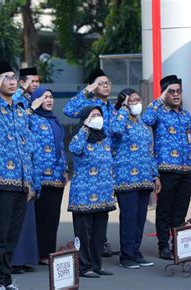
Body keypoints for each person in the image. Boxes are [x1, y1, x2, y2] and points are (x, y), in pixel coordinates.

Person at [0, 61, 38, 290]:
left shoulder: (20, 110)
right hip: (0, 182)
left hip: (21, 183)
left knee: (12, 236)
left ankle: (6, 279)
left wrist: (30, 183)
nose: (13, 81)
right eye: (7, 77)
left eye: (14, 77)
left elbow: (26, 148)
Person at [63, 68, 119, 257]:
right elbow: (68, 109)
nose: (106, 86)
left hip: (107, 163)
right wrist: (88, 89)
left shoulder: (111, 107)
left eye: (108, 82)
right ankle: (86, 257)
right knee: (86, 215)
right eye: (101, 83)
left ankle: (98, 248)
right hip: (88, 163)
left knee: (102, 211)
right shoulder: (89, 105)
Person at [142, 75, 191, 260]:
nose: (176, 95)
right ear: (165, 93)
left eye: (178, 91)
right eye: (171, 91)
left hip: (186, 170)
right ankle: (163, 246)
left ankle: (178, 246)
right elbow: (145, 119)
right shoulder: (159, 112)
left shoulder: (185, 115)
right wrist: (159, 99)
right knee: (164, 210)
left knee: (180, 211)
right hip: (166, 170)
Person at [111, 88, 161, 268]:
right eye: (133, 100)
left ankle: (136, 252)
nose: (137, 103)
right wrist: (124, 109)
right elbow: (115, 131)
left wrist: (155, 176)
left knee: (140, 218)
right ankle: (126, 256)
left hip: (144, 178)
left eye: (139, 99)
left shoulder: (141, 123)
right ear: (124, 102)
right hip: (125, 179)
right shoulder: (118, 118)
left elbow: (149, 152)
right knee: (129, 217)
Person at [68, 106, 116, 278]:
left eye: (99, 115)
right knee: (83, 234)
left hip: (103, 194)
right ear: (85, 120)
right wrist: (85, 129)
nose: (97, 117)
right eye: (93, 115)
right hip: (83, 195)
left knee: (99, 234)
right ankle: (83, 267)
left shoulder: (104, 139)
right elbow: (74, 149)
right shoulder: (80, 137)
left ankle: (97, 265)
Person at [28, 87, 68, 266]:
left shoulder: (55, 120)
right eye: (44, 97)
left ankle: (48, 251)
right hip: (40, 177)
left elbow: (60, 147)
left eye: (51, 97)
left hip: (57, 177)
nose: (49, 100)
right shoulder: (31, 119)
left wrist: (65, 169)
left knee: (52, 217)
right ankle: (37, 252)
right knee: (40, 217)